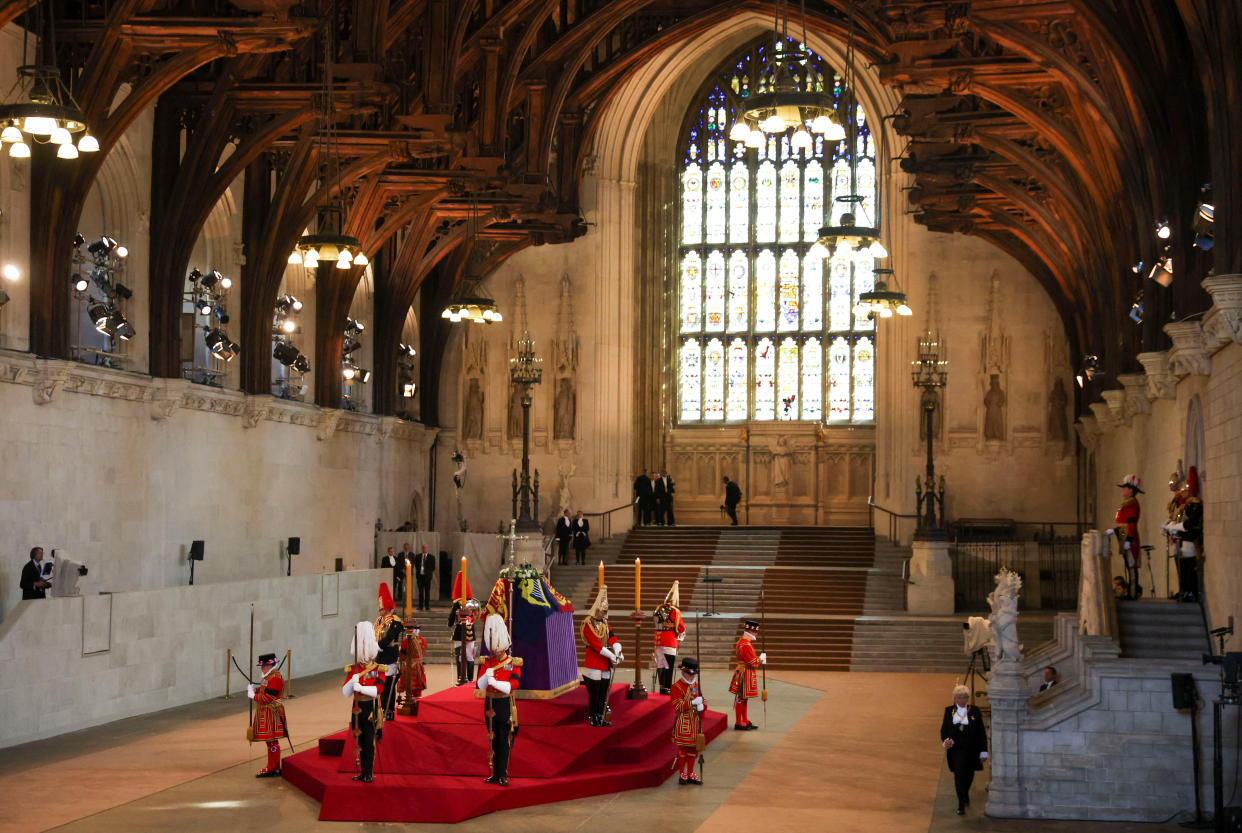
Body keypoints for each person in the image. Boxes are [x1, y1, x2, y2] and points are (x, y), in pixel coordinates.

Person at [478, 613, 522, 786]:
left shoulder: (512, 662)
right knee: (493, 738)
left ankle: (502, 773)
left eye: (497, 646)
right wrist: (484, 678)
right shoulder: (487, 662)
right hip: (489, 704)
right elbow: (480, 687)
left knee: (504, 739)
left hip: (504, 703)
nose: (495, 651)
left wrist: (494, 682)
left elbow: (513, 685)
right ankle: (495, 774)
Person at [344, 621, 385, 783]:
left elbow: (378, 691)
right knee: (358, 741)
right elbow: (345, 692)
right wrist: (350, 683)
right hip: (356, 707)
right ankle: (362, 772)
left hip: (370, 707)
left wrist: (360, 687)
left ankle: (368, 772)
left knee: (369, 742)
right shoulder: (354, 669)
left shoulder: (377, 669)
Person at [940, 683, 989, 815]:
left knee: (969, 775)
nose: (962, 700)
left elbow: (981, 733)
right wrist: (946, 740)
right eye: (959, 697)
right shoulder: (949, 711)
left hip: (972, 750)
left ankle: (965, 792)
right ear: (955, 698)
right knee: (959, 775)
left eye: (965, 697)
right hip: (957, 750)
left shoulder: (975, 711)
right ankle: (961, 802)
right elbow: (944, 730)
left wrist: (984, 750)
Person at [581, 586, 623, 727]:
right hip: (594, 661)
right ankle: (593, 716)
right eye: (602, 611)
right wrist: (612, 655)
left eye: (605, 611)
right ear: (596, 609)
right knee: (595, 691)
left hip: (604, 662)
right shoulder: (587, 623)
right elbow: (596, 644)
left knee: (603, 691)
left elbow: (611, 637)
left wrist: (618, 650)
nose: (604, 614)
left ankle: (600, 715)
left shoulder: (604, 622)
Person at [1166, 466, 1204, 602]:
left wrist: (1175, 527)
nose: (1182, 493)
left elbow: (1189, 523)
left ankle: (1191, 592)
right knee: (1184, 567)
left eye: (1184, 491)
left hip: (1191, 538)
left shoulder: (1194, 504)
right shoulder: (1185, 505)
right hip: (1182, 538)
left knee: (1190, 568)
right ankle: (1185, 590)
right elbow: (1178, 518)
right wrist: (1170, 527)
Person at [247, 653, 287, 778]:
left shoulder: (274, 678)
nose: (261, 669)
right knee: (270, 742)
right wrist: (255, 690)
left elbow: (268, 697)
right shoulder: (268, 676)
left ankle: (273, 767)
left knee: (272, 741)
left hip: (272, 713)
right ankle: (273, 766)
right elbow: (265, 690)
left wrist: (253, 696)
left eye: (263, 666)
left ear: (270, 665)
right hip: (267, 712)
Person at [670, 656, 706, 785]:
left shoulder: (695, 685)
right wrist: (692, 703)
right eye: (689, 675)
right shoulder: (676, 687)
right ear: (683, 673)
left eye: (693, 675)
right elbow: (677, 706)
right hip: (684, 722)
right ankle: (682, 774)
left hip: (695, 722)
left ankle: (690, 772)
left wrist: (703, 705)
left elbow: (702, 698)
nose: (691, 677)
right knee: (683, 749)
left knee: (694, 750)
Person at [1107, 474, 1143, 599]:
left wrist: (1129, 539)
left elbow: (1131, 523)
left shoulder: (1132, 503)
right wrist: (1115, 530)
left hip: (1128, 537)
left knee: (1132, 567)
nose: (1123, 490)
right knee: (1128, 566)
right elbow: (1123, 523)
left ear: (1131, 490)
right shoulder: (1127, 503)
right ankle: (1130, 593)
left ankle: (1133, 594)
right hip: (1123, 534)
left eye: (1125, 488)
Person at [374, 583, 403, 721]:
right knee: (380, 684)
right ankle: (381, 708)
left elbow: (390, 636)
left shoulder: (395, 621)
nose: (380, 610)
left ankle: (389, 709)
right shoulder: (379, 621)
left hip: (389, 655)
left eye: (382, 607)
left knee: (388, 685)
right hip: (379, 657)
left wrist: (378, 646)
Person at [729, 619, 764, 730]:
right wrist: (760, 659)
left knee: (744, 698)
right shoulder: (746, 644)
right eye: (756, 632)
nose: (756, 634)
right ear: (751, 631)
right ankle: (739, 722)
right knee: (741, 698)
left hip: (743, 671)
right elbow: (752, 662)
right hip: (745, 672)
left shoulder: (744, 642)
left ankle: (744, 720)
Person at [653, 581, 686, 695]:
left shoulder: (659, 608)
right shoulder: (675, 611)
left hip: (659, 639)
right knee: (669, 667)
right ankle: (667, 688)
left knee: (661, 665)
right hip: (670, 640)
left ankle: (662, 686)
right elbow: (681, 627)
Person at [449, 569, 480, 685]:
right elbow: (477, 615)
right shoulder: (473, 602)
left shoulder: (456, 603)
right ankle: (471, 679)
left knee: (459, 657)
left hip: (458, 633)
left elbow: (451, 619)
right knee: (470, 657)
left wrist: (451, 622)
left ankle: (460, 677)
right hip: (470, 632)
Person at [399, 619, 428, 715]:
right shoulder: (423, 640)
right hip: (419, 666)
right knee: (418, 688)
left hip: (409, 666)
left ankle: (409, 704)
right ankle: (418, 708)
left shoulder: (405, 641)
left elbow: (402, 656)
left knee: (409, 687)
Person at [414, 544, 435, 611]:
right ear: (421, 548)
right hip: (420, 577)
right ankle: (420, 606)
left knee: (427, 592)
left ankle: (427, 606)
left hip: (427, 577)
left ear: (427, 548)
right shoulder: (418, 556)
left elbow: (433, 567)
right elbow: (416, 565)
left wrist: (427, 572)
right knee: (420, 592)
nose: (424, 549)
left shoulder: (431, 557)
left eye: (425, 548)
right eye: (423, 548)